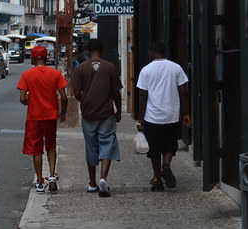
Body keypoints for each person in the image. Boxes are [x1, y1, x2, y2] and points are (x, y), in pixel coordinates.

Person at [135, 41, 191, 192]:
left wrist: (140, 119)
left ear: (152, 52)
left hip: (152, 116)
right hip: (172, 115)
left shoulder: (146, 70)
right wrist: (186, 113)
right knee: (170, 144)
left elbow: (143, 94)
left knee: (154, 149)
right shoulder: (176, 68)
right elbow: (184, 91)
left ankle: (158, 180)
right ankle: (166, 164)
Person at [71, 38, 123, 197]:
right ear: (102, 50)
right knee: (107, 143)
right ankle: (103, 179)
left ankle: (92, 183)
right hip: (106, 113)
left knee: (91, 146)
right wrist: (118, 110)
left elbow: (76, 92)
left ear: (87, 51)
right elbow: (116, 92)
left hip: (88, 114)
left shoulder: (81, 69)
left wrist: (85, 101)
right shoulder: (110, 67)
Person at [16, 45, 67, 193]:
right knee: (51, 145)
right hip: (51, 115)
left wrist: (28, 102)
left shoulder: (27, 75)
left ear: (32, 58)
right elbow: (63, 96)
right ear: (46, 57)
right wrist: (63, 112)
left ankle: (39, 181)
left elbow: (22, 98)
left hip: (34, 116)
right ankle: (52, 174)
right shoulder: (55, 74)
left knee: (36, 149)